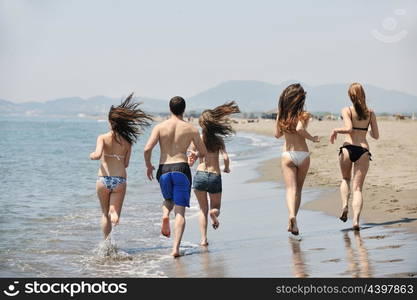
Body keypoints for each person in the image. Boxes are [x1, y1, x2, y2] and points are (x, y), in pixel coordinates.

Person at [144, 96, 207, 257]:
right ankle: (175, 249)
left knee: (168, 200)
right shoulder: (191, 129)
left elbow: (147, 149)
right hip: (181, 168)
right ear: (184, 109)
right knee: (180, 211)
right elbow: (203, 152)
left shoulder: (160, 127)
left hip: (164, 169)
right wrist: (194, 154)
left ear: (170, 108)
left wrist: (148, 165)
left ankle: (165, 215)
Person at [90, 94, 153, 240]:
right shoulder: (128, 142)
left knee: (104, 214)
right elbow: (126, 164)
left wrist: (92, 155)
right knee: (113, 210)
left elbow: (98, 154)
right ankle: (115, 212)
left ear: (110, 122)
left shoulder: (102, 138)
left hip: (103, 180)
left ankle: (107, 244)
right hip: (119, 180)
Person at [188, 102, 240, 246]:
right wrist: (227, 168)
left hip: (200, 175)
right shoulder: (219, 140)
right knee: (215, 207)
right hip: (215, 175)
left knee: (202, 209)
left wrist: (191, 159)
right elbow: (225, 158)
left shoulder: (197, 139)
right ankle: (214, 214)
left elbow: (191, 160)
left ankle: (203, 239)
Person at [330, 83, 379, 230]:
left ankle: (345, 205)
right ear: (363, 94)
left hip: (347, 148)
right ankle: (356, 220)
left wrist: (335, 130)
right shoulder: (370, 113)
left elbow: (348, 128)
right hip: (363, 150)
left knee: (345, 179)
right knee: (357, 188)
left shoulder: (347, 110)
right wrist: (368, 131)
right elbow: (376, 136)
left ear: (350, 96)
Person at [274, 83, 319, 235]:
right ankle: (293, 221)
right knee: (298, 190)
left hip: (288, 154)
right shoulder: (304, 115)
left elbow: (277, 135)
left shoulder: (282, 114)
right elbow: (300, 129)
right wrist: (312, 138)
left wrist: (279, 117)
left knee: (290, 189)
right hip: (303, 155)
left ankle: (291, 216)